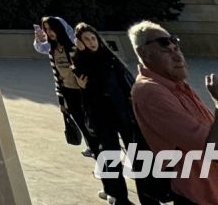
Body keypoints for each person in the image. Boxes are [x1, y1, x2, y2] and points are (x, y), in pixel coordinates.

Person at [128, 21, 218, 205]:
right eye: (166, 49)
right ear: (143, 53)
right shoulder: (149, 91)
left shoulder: (179, 88)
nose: (177, 56)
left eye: (177, 48)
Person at [72, 23, 164, 205]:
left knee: (138, 156)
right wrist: (79, 53)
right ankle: (119, 198)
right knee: (110, 157)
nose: (91, 43)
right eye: (86, 40)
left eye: (93, 38)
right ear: (80, 42)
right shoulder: (80, 62)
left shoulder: (110, 58)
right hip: (102, 117)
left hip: (123, 113)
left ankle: (150, 198)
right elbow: (85, 87)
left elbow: (128, 83)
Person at [35, 16, 98, 156]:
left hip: (82, 91)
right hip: (68, 92)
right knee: (81, 123)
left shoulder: (73, 47)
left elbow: (89, 66)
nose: (49, 32)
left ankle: (103, 150)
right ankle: (94, 150)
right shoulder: (52, 50)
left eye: (51, 28)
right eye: (46, 29)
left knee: (93, 123)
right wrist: (61, 100)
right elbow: (56, 75)